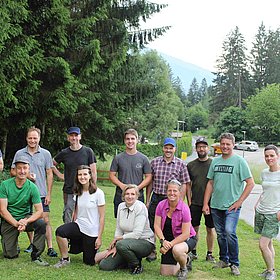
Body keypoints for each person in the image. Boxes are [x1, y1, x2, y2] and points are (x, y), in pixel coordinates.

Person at [203, 132, 255, 276]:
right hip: (215, 205)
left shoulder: (239, 161)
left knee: (230, 232)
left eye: (228, 144)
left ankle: (234, 263)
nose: (225, 146)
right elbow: (210, 183)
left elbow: (250, 183)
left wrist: (240, 201)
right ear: (219, 145)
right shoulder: (215, 161)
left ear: (233, 145)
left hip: (232, 206)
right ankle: (224, 260)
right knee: (220, 234)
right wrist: (206, 203)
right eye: (223, 144)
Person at [10, 127, 57, 257]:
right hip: (24, 193)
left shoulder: (46, 154)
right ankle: (32, 244)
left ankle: (50, 247)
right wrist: (26, 175)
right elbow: (13, 171)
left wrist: (48, 193)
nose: (32, 140)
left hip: (41, 192)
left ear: (39, 138)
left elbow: (49, 173)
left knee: (45, 220)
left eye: (35, 138)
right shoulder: (19, 153)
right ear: (26, 138)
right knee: (27, 218)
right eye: (30, 138)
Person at [146, 137, 190, 261]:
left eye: (171, 148)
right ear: (163, 148)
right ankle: (152, 250)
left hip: (171, 199)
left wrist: (180, 201)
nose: (168, 150)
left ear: (175, 149)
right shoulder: (154, 162)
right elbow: (150, 182)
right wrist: (148, 199)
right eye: (166, 147)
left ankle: (170, 246)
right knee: (152, 225)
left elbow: (185, 183)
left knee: (170, 226)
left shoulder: (181, 164)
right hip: (157, 197)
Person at [0, 156, 48, 266]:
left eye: (25, 168)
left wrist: (25, 222)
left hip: (25, 218)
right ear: (14, 170)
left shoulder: (33, 187)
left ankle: (36, 255)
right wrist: (16, 223)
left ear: (28, 170)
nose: (22, 171)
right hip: (10, 219)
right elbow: (2, 210)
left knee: (41, 223)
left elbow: (39, 211)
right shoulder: (4, 185)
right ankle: (13, 246)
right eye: (19, 168)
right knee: (9, 255)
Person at [54, 165, 105, 268]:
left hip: (91, 231)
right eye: (80, 175)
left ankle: (110, 250)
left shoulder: (98, 193)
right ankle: (65, 259)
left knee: (89, 261)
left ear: (90, 176)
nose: (82, 177)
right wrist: (71, 229)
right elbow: (76, 211)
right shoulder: (78, 192)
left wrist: (99, 238)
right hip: (79, 226)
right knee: (60, 231)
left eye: (85, 174)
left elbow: (102, 217)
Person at [99, 184, 154, 274]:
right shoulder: (121, 206)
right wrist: (116, 246)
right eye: (127, 194)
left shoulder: (140, 207)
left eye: (133, 194)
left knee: (121, 245)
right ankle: (127, 260)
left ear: (137, 196)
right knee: (105, 265)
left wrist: (118, 240)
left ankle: (136, 265)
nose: (130, 196)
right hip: (125, 243)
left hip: (145, 242)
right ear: (123, 195)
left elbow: (137, 234)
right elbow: (119, 228)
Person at [154, 179, 197, 280]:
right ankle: (186, 259)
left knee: (177, 250)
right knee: (166, 273)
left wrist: (169, 246)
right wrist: (162, 241)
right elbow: (156, 226)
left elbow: (186, 234)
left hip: (186, 239)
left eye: (175, 191)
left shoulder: (184, 208)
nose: (172, 193)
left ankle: (183, 268)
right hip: (168, 240)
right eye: (169, 190)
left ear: (180, 192)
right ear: (166, 191)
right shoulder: (161, 205)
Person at [53, 126, 97, 223]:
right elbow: (51, 164)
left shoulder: (88, 151)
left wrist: (93, 187)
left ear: (80, 137)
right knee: (68, 212)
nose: (74, 138)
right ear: (68, 138)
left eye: (76, 135)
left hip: (84, 188)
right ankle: (68, 234)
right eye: (71, 136)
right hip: (69, 189)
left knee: (83, 212)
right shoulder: (64, 153)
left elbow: (93, 171)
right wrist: (59, 175)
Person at [109, 128, 152, 218]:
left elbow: (148, 177)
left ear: (137, 140)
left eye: (132, 138)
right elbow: (112, 175)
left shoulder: (143, 158)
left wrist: (137, 188)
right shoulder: (118, 158)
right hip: (121, 195)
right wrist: (122, 186)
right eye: (127, 139)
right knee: (121, 223)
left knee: (137, 223)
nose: (130, 141)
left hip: (137, 196)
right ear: (124, 141)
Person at [186, 137, 216, 262]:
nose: (201, 149)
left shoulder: (214, 163)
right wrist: (189, 201)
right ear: (196, 148)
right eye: (199, 147)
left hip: (211, 203)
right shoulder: (191, 165)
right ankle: (193, 251)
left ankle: (210, 253)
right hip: (195, 202)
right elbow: (188, 184)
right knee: (194, 228)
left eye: (204, 146)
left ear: (208, 148)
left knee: (210, 228)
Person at [254, 145, 280, 280]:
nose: (269, 158)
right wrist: (257, 204)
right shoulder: (264, 172)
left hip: (273, 214)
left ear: (278, 156)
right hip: (261, 211)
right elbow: (265, 191)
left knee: (262, 244)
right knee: (269, 244)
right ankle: (270, 268)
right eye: (266, 156)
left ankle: (271, 272)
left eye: (272, 155)